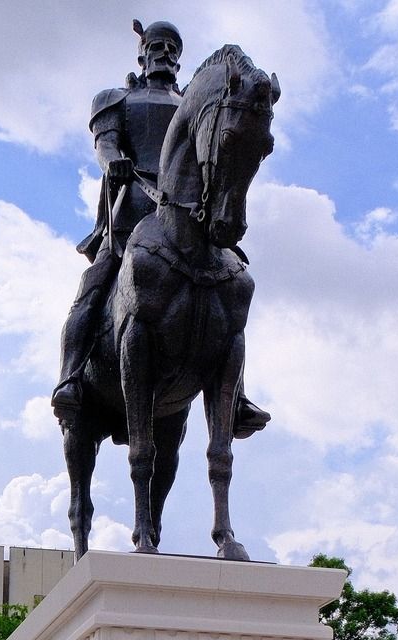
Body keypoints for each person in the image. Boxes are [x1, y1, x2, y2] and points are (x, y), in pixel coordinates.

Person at [52, 19, 269, 435]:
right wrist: (112, 160)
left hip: (191, 213)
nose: (165, 54)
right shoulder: (115, 98)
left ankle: (236, 395)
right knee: (96, 281)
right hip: (134, 202)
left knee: (232, 284)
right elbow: (106, 142)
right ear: (142, 52)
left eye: (172, 48)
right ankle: (72, 375)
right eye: (158, 46)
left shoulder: (195, 102)